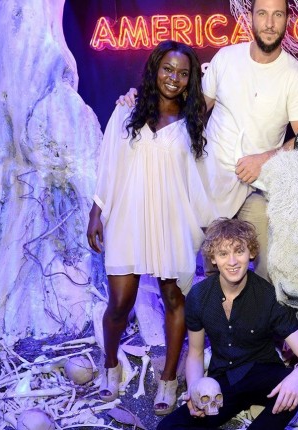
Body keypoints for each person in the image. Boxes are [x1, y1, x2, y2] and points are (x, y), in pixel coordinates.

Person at [119, 0, 298, 281]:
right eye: (262, 14)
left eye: (278, 15)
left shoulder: (293, 75)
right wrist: (139, 99)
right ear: (251, 17)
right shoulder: (226, 58)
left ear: (287, 19)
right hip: (209, 185)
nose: (270, 23)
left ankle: (261, 309)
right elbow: (191, 109)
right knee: (209, 274)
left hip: (255, 188)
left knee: (268, 269)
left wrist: (265, 159)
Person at [87, 40, 214, 416]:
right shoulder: (126, 111)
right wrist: (97, 211)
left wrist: (207, 227)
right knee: (120, 303)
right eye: (167, 69)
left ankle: (169, 378)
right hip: (128, 217)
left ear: (190, 80)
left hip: (171, 220)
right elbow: (108, 164)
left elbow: (198, 180)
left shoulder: (192, 123)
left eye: (183, 73)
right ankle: (110, 363)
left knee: (175, 299)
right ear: (155, 69)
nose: (174, 78)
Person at [158, 218, 298, 430]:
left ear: (251, 253)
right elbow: (195, 353)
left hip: (262, 374)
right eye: (223, 254)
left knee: (297, 388)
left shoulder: (269, 296)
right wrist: (196, 388)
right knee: (168, 426)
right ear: (213, 258)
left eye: (239, 251)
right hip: (224, 380)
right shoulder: (198, 296)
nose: (232, 261)